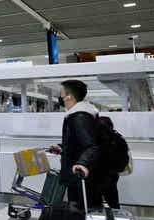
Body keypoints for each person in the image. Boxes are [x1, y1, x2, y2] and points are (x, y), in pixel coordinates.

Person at [49, 80, 102, 209]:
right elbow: (79, 142)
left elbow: (91, 145)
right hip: (79, 175)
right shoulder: (79, 115)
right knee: (80, 211)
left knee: (82, 212)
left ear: (69, 96)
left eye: (61, 93)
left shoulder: (79, 117)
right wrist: (62, 147)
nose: (60, 97)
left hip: (80, 177)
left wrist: (82, 163)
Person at [97, 116, 128, 209]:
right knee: (113, 202)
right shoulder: (118, 137)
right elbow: (124, 159)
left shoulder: (98, 138)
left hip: (98, 176)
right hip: (112, 176)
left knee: (95, 204)